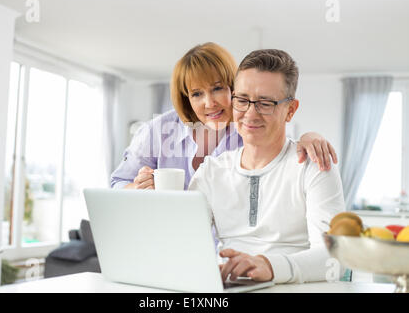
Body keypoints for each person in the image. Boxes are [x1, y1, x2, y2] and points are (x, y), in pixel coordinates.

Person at [188, 49, 345, 284]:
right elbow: (183, 246)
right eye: (242, 100)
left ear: (290, 110)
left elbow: (335, 259)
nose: (250, 114)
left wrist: (270, 266)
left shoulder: (313, 166)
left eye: (265, 103)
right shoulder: (210, 172)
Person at [110, 42, 338, 190]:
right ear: (186, 97)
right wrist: (137, 188)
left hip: (229, 254)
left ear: (234, 87)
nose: (210, 103)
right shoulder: (158, 131)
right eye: (197, 93)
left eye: (217, 88)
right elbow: (117, 184)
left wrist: (310, 137)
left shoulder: (249, 130)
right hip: (169, 244)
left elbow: (282, 152)